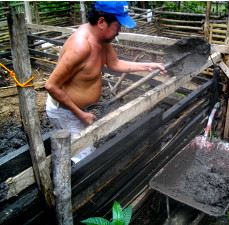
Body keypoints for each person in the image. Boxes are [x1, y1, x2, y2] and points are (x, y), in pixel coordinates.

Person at [45, 1, 165, 162]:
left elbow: (114, 64)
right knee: (84, 158)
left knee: (83, 149)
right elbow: (51, 86)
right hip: (66, 111)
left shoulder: (102, 39)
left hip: (81, 109)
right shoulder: (80, 46)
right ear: (102, 22)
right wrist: (80, 114)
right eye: (118, 26)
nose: (119, 31)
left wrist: (148, 66)